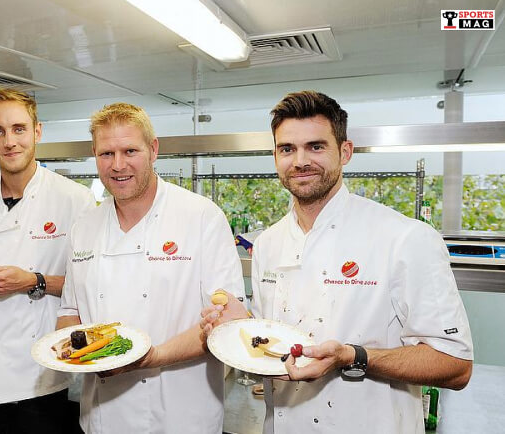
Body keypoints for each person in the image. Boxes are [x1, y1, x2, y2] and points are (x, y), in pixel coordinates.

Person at [200, 90, 473, 433]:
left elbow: (455, 365)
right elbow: (277, 340)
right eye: (287, 149)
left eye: (316, 146)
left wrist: (353, 357)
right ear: (274, 157)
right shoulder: (269, 243)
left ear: (345, 152)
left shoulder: (405, 238)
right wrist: (241, 327)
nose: (300, 161)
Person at [56, 102, 245, 434]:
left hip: (182, 416)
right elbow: (70, 309)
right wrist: (77, 353)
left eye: (130, 150)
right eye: (106, 154)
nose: (118, 165)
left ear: (153, 149)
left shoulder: (201, 217)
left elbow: (225, 320)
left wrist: (150, 357)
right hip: (103, 416)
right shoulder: (84, 227)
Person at [0, 88, 95, 434]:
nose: (9, 141)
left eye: (18, 129)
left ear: (37, 132)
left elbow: (92, 288)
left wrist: (33, 281)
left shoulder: (75, 200)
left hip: (42, 374)